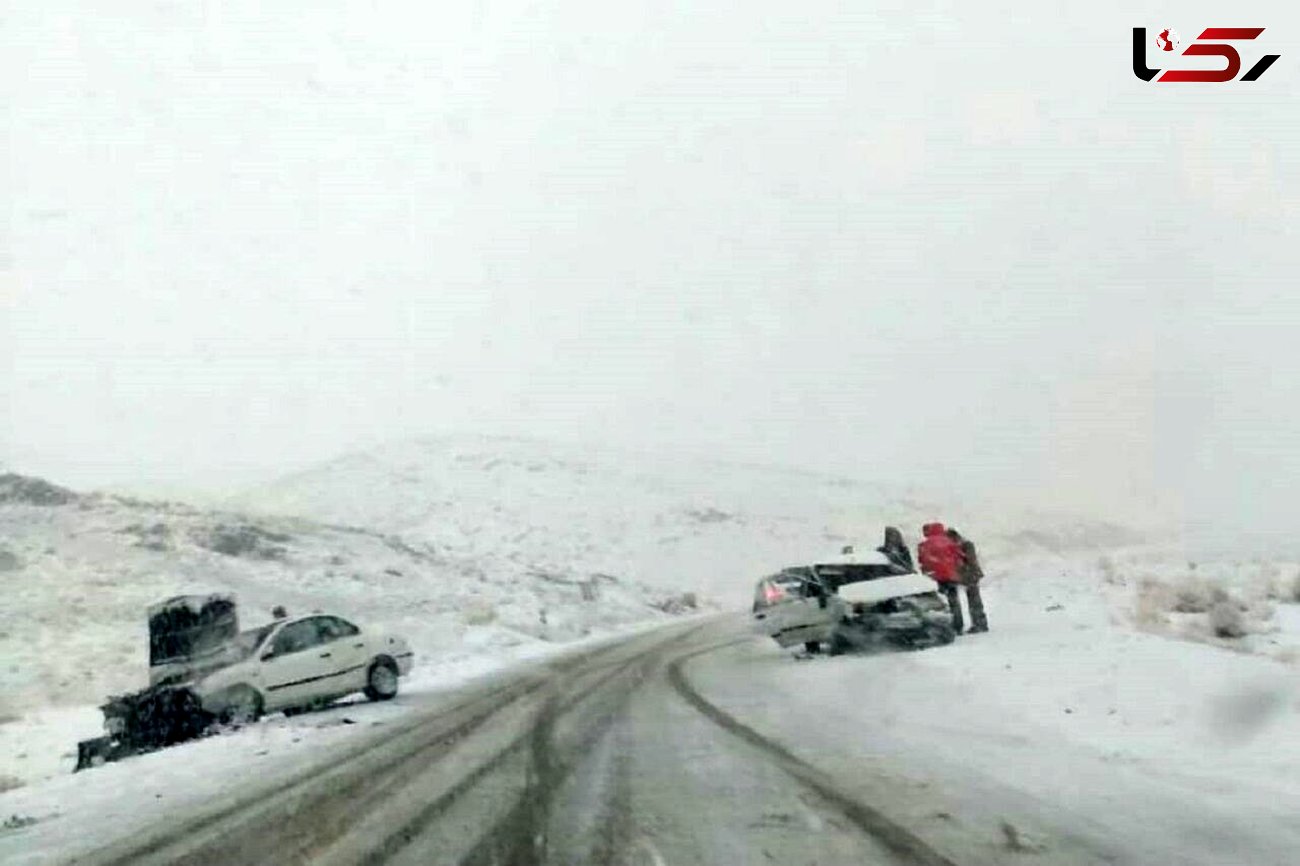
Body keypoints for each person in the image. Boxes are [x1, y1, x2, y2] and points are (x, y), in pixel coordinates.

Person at [917, 522, 964, 633]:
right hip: (951, 576)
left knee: (938, 602)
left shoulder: (925, 544)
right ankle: (958, 626)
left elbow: (922, 560)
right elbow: (959, 558)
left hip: (935, 577)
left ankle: (943, 626)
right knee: (954, 601)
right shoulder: (950, 542)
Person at [947, 528, 989, 633]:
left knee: (974, 600)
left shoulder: (965, 545)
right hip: (969, 574)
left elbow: (970, 560)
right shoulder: (964, 544)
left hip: (970, 574)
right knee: (974, 600)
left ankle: (979, 623)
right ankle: (979, 623)